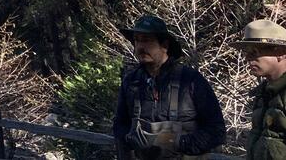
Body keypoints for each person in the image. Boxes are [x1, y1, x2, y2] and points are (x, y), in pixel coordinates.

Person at [113, 14, 226, 160]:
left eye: (147, 40)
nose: (140, 46)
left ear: (165, 45)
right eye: (137, 40)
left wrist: (180, 143)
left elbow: (216, 131)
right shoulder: (131, 82)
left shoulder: (190, 80)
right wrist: (130, 138)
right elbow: (119, 124)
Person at [233, 19, 286, 160]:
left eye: (255, 51)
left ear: (280, 52)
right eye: (246, 52)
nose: (248, 58)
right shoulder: (265, 93)